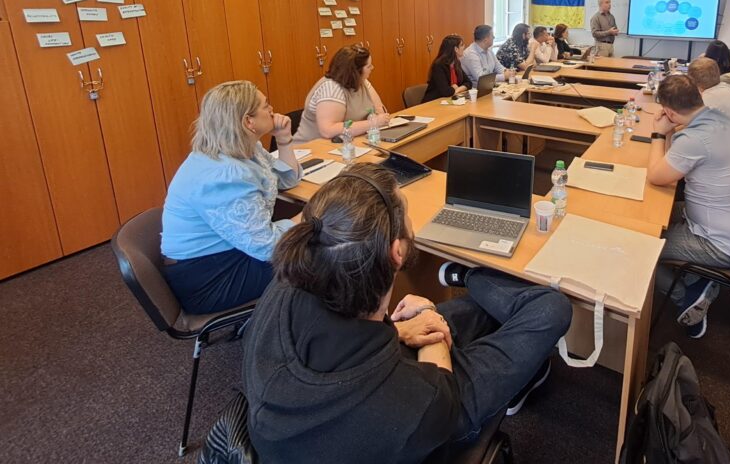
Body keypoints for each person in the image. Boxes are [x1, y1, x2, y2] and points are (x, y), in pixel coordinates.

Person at [243, 164, 572, 464]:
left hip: (353, 405)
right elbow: (440, 391)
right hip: (433, 416)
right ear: (397, 252)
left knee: (479, 310)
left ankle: (466, 279)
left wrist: (398, 331)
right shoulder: (415, 402)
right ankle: (469, 276)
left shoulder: (288, 284)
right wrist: (430, 315)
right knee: (551, 307)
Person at [160, 81, 302, 314]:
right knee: (318, 256)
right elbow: (268, 247)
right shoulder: (225, 175)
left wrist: (284, 139)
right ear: (248, 122)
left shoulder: (246, 149)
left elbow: (287, 180)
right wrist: (306, 218)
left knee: (318, 244)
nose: (272, 110)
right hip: (210, 278)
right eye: (265, 105)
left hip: (236, 250)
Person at [646, 75, 730, 338]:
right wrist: (672, 131)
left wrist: (658, 134)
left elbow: (656, 176)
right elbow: (673, 162)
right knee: (659, 215)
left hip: (718, 243)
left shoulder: (695, 139)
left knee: (643, 244)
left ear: (669, 112)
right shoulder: (721, 120)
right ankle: (698, 279)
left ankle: (685, 298)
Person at [293, 45, 390, 145]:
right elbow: (328, 130)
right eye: (368, 66)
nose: (372, 68)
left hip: (347, 144)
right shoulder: (331, 88)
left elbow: (380, 111)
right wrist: (373, 123)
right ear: (355, 71)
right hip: (312, 148)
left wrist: (377, 117)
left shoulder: (362, 82)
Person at [424, 34, 468, 102]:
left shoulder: (456, 63)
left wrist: (457, 89)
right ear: (456, 49)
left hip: (448, 100)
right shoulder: (438, 66)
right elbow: (446, 92)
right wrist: (455, 88)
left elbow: (468, 82)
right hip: (434, 102)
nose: (464, 47)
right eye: (462, 45)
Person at [460, 24, 505, 89]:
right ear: (485, 39)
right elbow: (481, 78)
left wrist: (508, 72)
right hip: (475, 90)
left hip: (489, 87)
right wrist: (503, 76)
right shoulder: (471, 54)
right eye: (492, 35)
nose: (494, 37)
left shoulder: (489, 51)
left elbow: (499, 67)